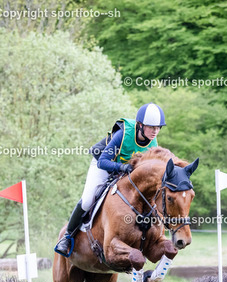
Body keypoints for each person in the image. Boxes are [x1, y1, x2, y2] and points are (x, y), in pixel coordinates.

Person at [54, 103, 166, 257]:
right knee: (87, 200)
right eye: (151, 127)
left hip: (124, 172)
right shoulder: (123, 134)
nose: (155, 131)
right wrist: (121, 167)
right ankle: (67, 237)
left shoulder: (153, 144)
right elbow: (103, 161)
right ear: (140, 125)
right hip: (102, 165)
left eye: (158, 128)